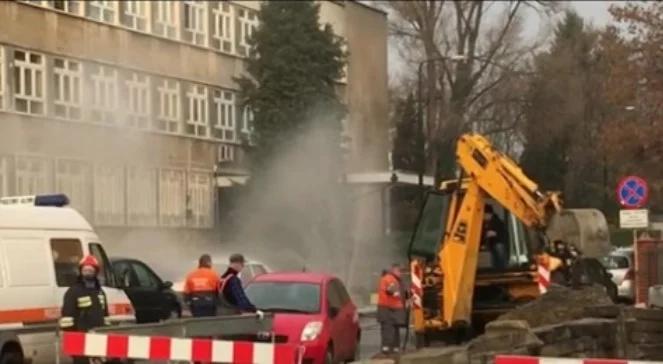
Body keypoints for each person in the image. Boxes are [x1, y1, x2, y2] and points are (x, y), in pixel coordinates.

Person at [59, 255, 110, 364]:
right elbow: (67, 320)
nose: (88, 272)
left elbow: (105, 316)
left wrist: (106, 333)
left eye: (91, 270)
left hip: (98, 338)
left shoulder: (100, 292)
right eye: (85, 270)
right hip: (80, 339)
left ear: (96, 272)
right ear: (81, 271)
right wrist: (73, 341)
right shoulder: (73, 292)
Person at [218, 253, 263, 318]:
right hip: (231, 316)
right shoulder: (233, 280)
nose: (243, 266)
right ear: (238, 264)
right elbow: (242, 300)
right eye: (242, 264)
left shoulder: (222, 278)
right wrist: (255, 310)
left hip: (220, 315)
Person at [377, 263, 407, 355]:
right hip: (389, 308)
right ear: (394, 270)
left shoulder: (390, 278)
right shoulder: (390, 279)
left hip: (390, 308)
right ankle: (389, 348)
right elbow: (391, 290)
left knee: (392, 328)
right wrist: (396, 294)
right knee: (389, 328)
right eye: (399, 271)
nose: (401, 273)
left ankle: (393, 347)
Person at [482, 205, 508, 269]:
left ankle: (501, 271)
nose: (483, 217)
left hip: (498, 243)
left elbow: (502, 232)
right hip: (496, 243)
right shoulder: (493, 221)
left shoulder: (496, 221)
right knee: (497, 260)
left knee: (499, 260)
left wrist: (495, 233)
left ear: (488, 214)